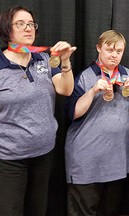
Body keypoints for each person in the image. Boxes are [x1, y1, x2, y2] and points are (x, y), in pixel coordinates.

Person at [0, 6, 76, 216]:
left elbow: (66, 89)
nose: (28, 28)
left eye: (31, 24)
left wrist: (65, 61)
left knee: (38, 210)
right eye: (20, 24)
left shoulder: (43, 59)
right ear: (7, 29)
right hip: (9, 158)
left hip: (43, 154)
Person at [65, 30, 129, 216]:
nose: (114, 55)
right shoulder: (86, 75)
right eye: (109, 49)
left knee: (110, 210)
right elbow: (73, 113)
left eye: (119, 51)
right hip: (87, 159)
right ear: (98, 48)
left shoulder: (126, 73)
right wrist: (91, 92)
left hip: (117, 160)